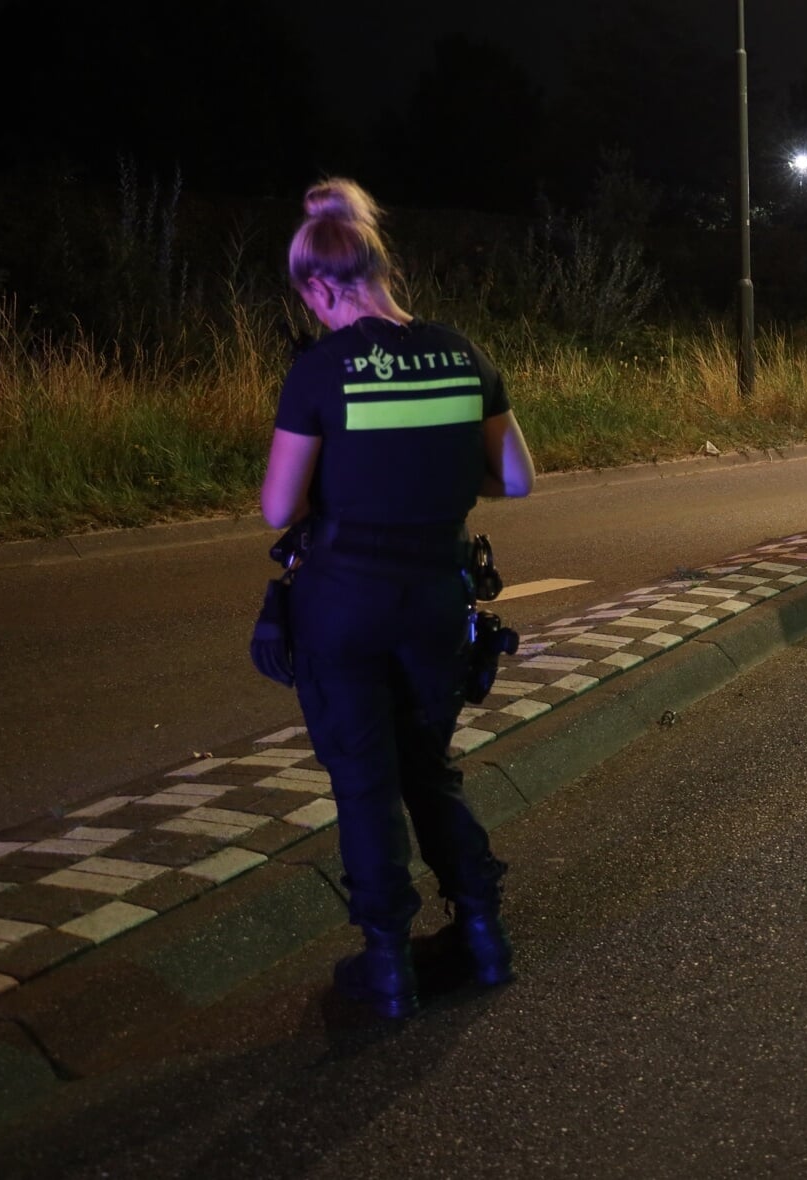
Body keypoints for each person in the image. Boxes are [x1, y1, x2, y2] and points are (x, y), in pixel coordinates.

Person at [261, 178, 536, 1019]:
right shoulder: (463, 352)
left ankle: (387, 966)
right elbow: (517, 478)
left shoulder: (320, 371)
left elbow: (281, 507)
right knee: (429, 768)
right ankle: (483, 935)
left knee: (365, 781)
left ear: (318, 286)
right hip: (435, 601)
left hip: (344, 604)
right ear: (384, 263)